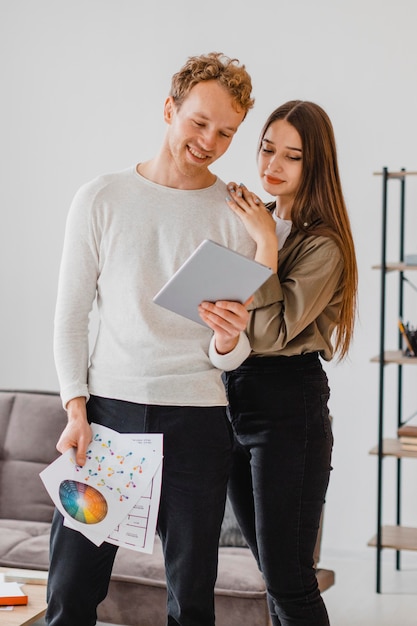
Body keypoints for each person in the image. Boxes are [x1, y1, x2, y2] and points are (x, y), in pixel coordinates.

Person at [47, 52, 256, 626]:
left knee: (190, 599)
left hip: (198, 420)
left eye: (226, 133)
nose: (209, 141)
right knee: (70, 590)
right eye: (198, 122)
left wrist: (228, 340)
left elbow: (235, 355)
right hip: (109, 419)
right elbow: (70, 316)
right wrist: (75, 406)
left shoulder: (236, 216)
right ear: (169, 109)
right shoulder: (102, 198)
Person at [199, 100, 358, 625]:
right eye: (268, 149)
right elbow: (226, 314)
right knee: (272, 571)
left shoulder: (322, 244)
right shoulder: (253, 219)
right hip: (233, 401)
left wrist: (265, 244)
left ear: (315, 166)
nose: (273, 165)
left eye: (292, 156)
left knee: (291, 578)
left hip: (291, 408)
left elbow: (269, 330)